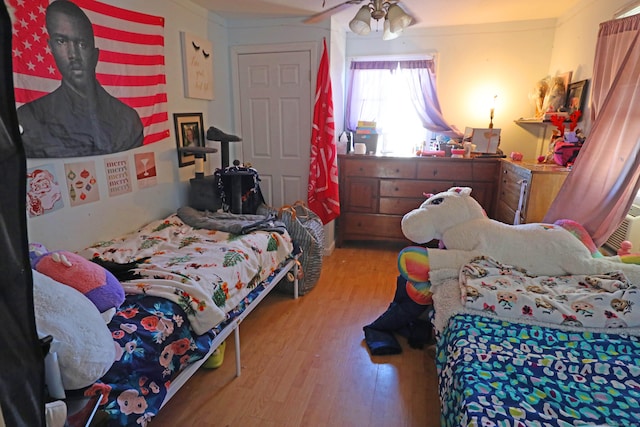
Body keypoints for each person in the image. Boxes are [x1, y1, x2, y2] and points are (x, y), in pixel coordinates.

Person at [17, 0, 143, 158]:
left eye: (82, 44)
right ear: (51, 47)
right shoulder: (28, 118)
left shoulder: (128, 118)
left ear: (95, 54)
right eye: (61, 41)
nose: (73, 55)